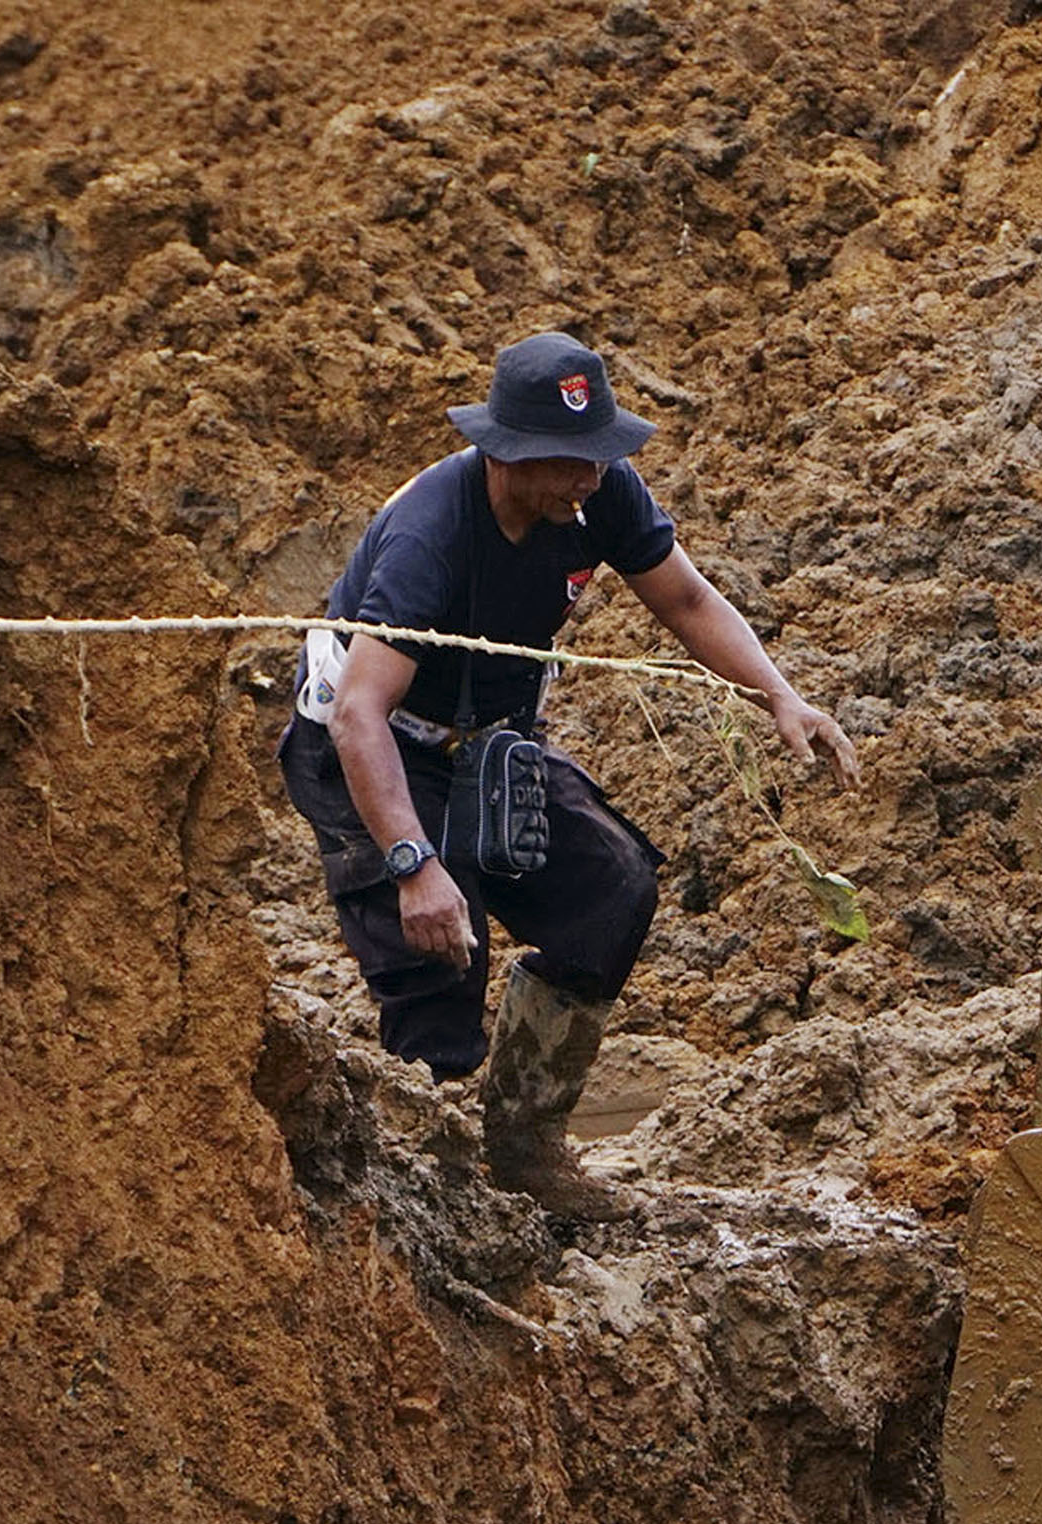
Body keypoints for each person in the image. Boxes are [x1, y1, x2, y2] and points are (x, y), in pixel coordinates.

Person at [275, 329, 857, 1218]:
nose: (588, 479)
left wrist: (779, 696)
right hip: (372, 744)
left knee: (609, 888)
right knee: (439, 948)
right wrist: (411, 863)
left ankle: (525, 1141)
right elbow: (359, 714)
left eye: (598, 459)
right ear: (506, 454)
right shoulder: (431, 535)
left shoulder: (598, 494)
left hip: (490, 737)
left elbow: (688, 598)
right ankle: (432, 1191)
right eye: (566, 465)